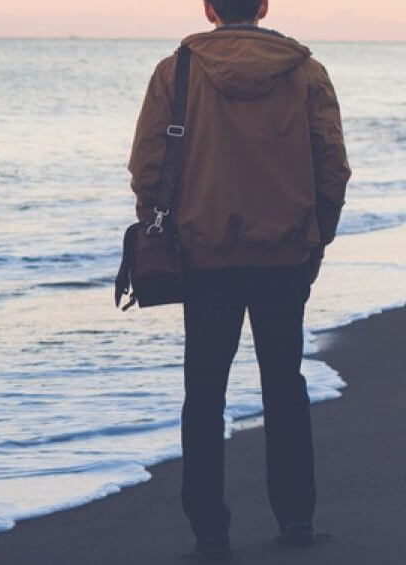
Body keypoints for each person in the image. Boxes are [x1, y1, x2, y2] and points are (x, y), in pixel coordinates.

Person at [127, 0, 351, 561]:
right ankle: (296, 520)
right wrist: (316, 236)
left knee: (204, 394)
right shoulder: (304, 71)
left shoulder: (177, 70)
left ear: (208, 10)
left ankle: (209, 532)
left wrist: (165, 225)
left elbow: (148, 165)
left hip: (203, 256)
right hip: (284, 254)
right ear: (264, 5)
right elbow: (332, 164)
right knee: (285, 386)